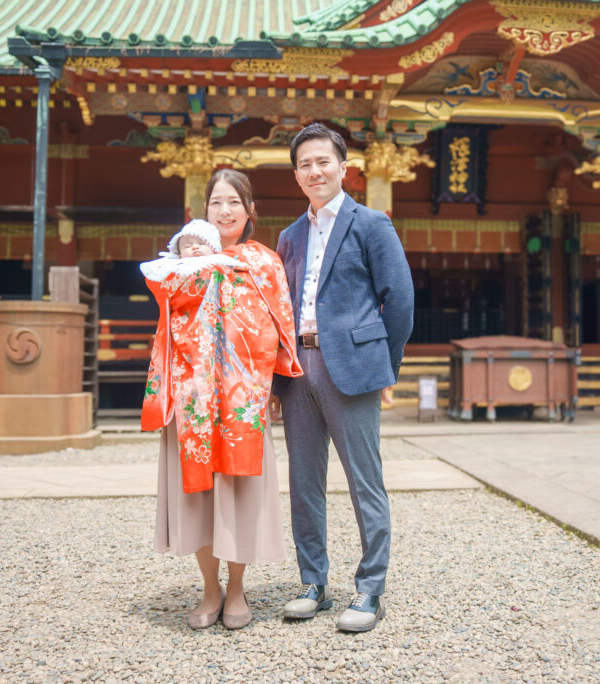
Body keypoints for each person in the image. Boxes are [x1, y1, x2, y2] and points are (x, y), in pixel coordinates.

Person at [141, 169, 302, 631]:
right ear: (203, 211)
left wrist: (268, 385)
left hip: (241, 400)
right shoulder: (183, 260)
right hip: (192, 397)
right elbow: (168, 320)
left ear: (250, 212)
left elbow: (277, 324)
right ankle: (209, 590)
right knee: (199, 497)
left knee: (236, 494)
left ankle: (236, 590)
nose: (225, 210)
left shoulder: (263, 262)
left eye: (235, 202)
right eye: (216, 203)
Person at [273, 123, 414, 632]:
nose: (315, 171)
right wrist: (274, 382)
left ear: (343, 167)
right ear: (296, 175)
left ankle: (370, 588)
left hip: (352, 368)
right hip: (296, 370)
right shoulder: (289, 236)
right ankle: (313, 582)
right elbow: (278, 308)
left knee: (364, 481)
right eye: (305, 164)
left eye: (323, 162)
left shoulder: (371, 223)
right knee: (304, 481)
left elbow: (399, 300)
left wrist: (384, 367)